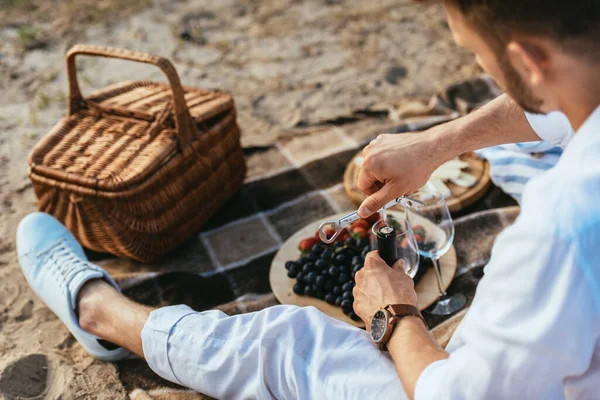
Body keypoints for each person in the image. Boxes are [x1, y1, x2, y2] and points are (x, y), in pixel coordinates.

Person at [16, 0, 600, 398]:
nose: (480, 66)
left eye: (477, 54)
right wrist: (436, 143)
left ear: (527, 60)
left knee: (291, 342)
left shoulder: (562, 228)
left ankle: (100, 313)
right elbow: (558, 110)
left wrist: (392, 315)